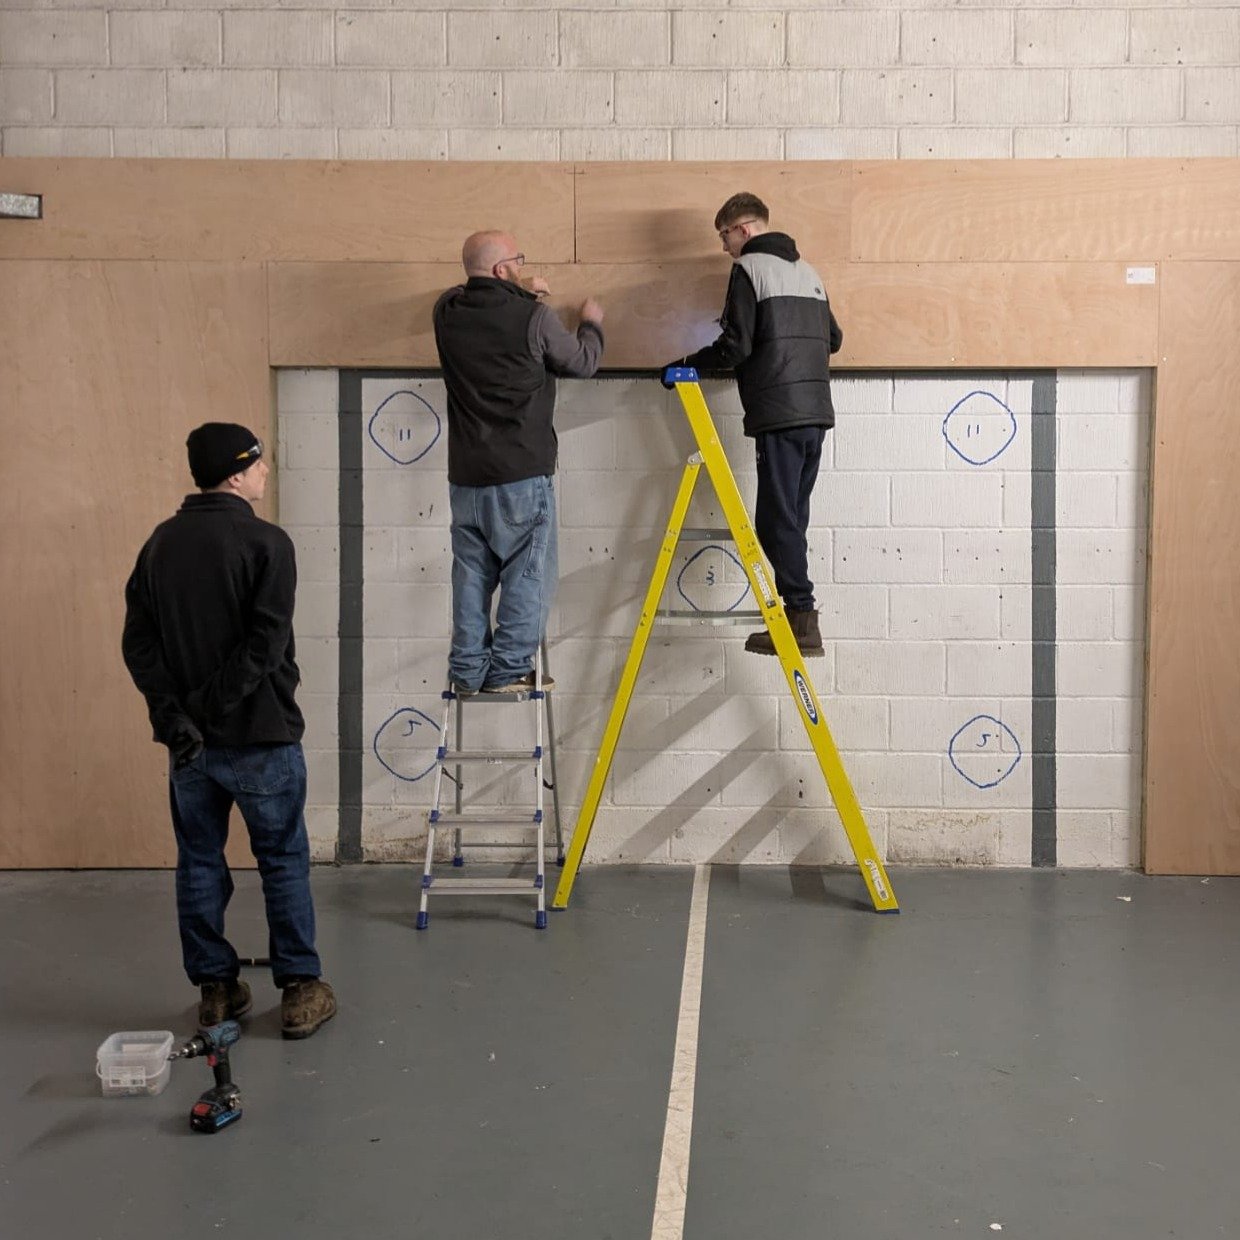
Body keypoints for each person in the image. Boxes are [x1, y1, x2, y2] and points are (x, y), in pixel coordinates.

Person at [121, 423, 336, 1039]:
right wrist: (210, 712)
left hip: (189, 748)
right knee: (282, 858)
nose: (267, 471)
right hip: (261, 738)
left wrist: (176, 718)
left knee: (197, 861)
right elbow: (264, 646)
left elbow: (138, 642)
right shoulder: (267, 542)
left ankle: (216, 990)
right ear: (237, 472)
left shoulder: (159, 545)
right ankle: (298, 990)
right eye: (260, 463)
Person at [665, 192, 842, 657]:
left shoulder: (749, 270)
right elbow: (835, 338)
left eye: (724, 236)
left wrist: (685, 364)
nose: (724, 247)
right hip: (816, 412)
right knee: (792, 517)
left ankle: (802, 619)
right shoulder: (809, 273)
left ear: (743, 228)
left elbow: (735, 346)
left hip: (779, 412)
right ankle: (799, 617)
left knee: (773, 520)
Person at [433, 230, 604, 693]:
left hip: (466, 479)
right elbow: (582, 363)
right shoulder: (537, 318)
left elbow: (464, 291)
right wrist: (590, 322)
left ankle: (468, 671)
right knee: (528, 573)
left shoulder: (446, 314)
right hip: (521, 476)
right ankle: (508, 670)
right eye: (516, 260)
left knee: (470, 576)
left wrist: (517, 286)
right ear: (502, 269)